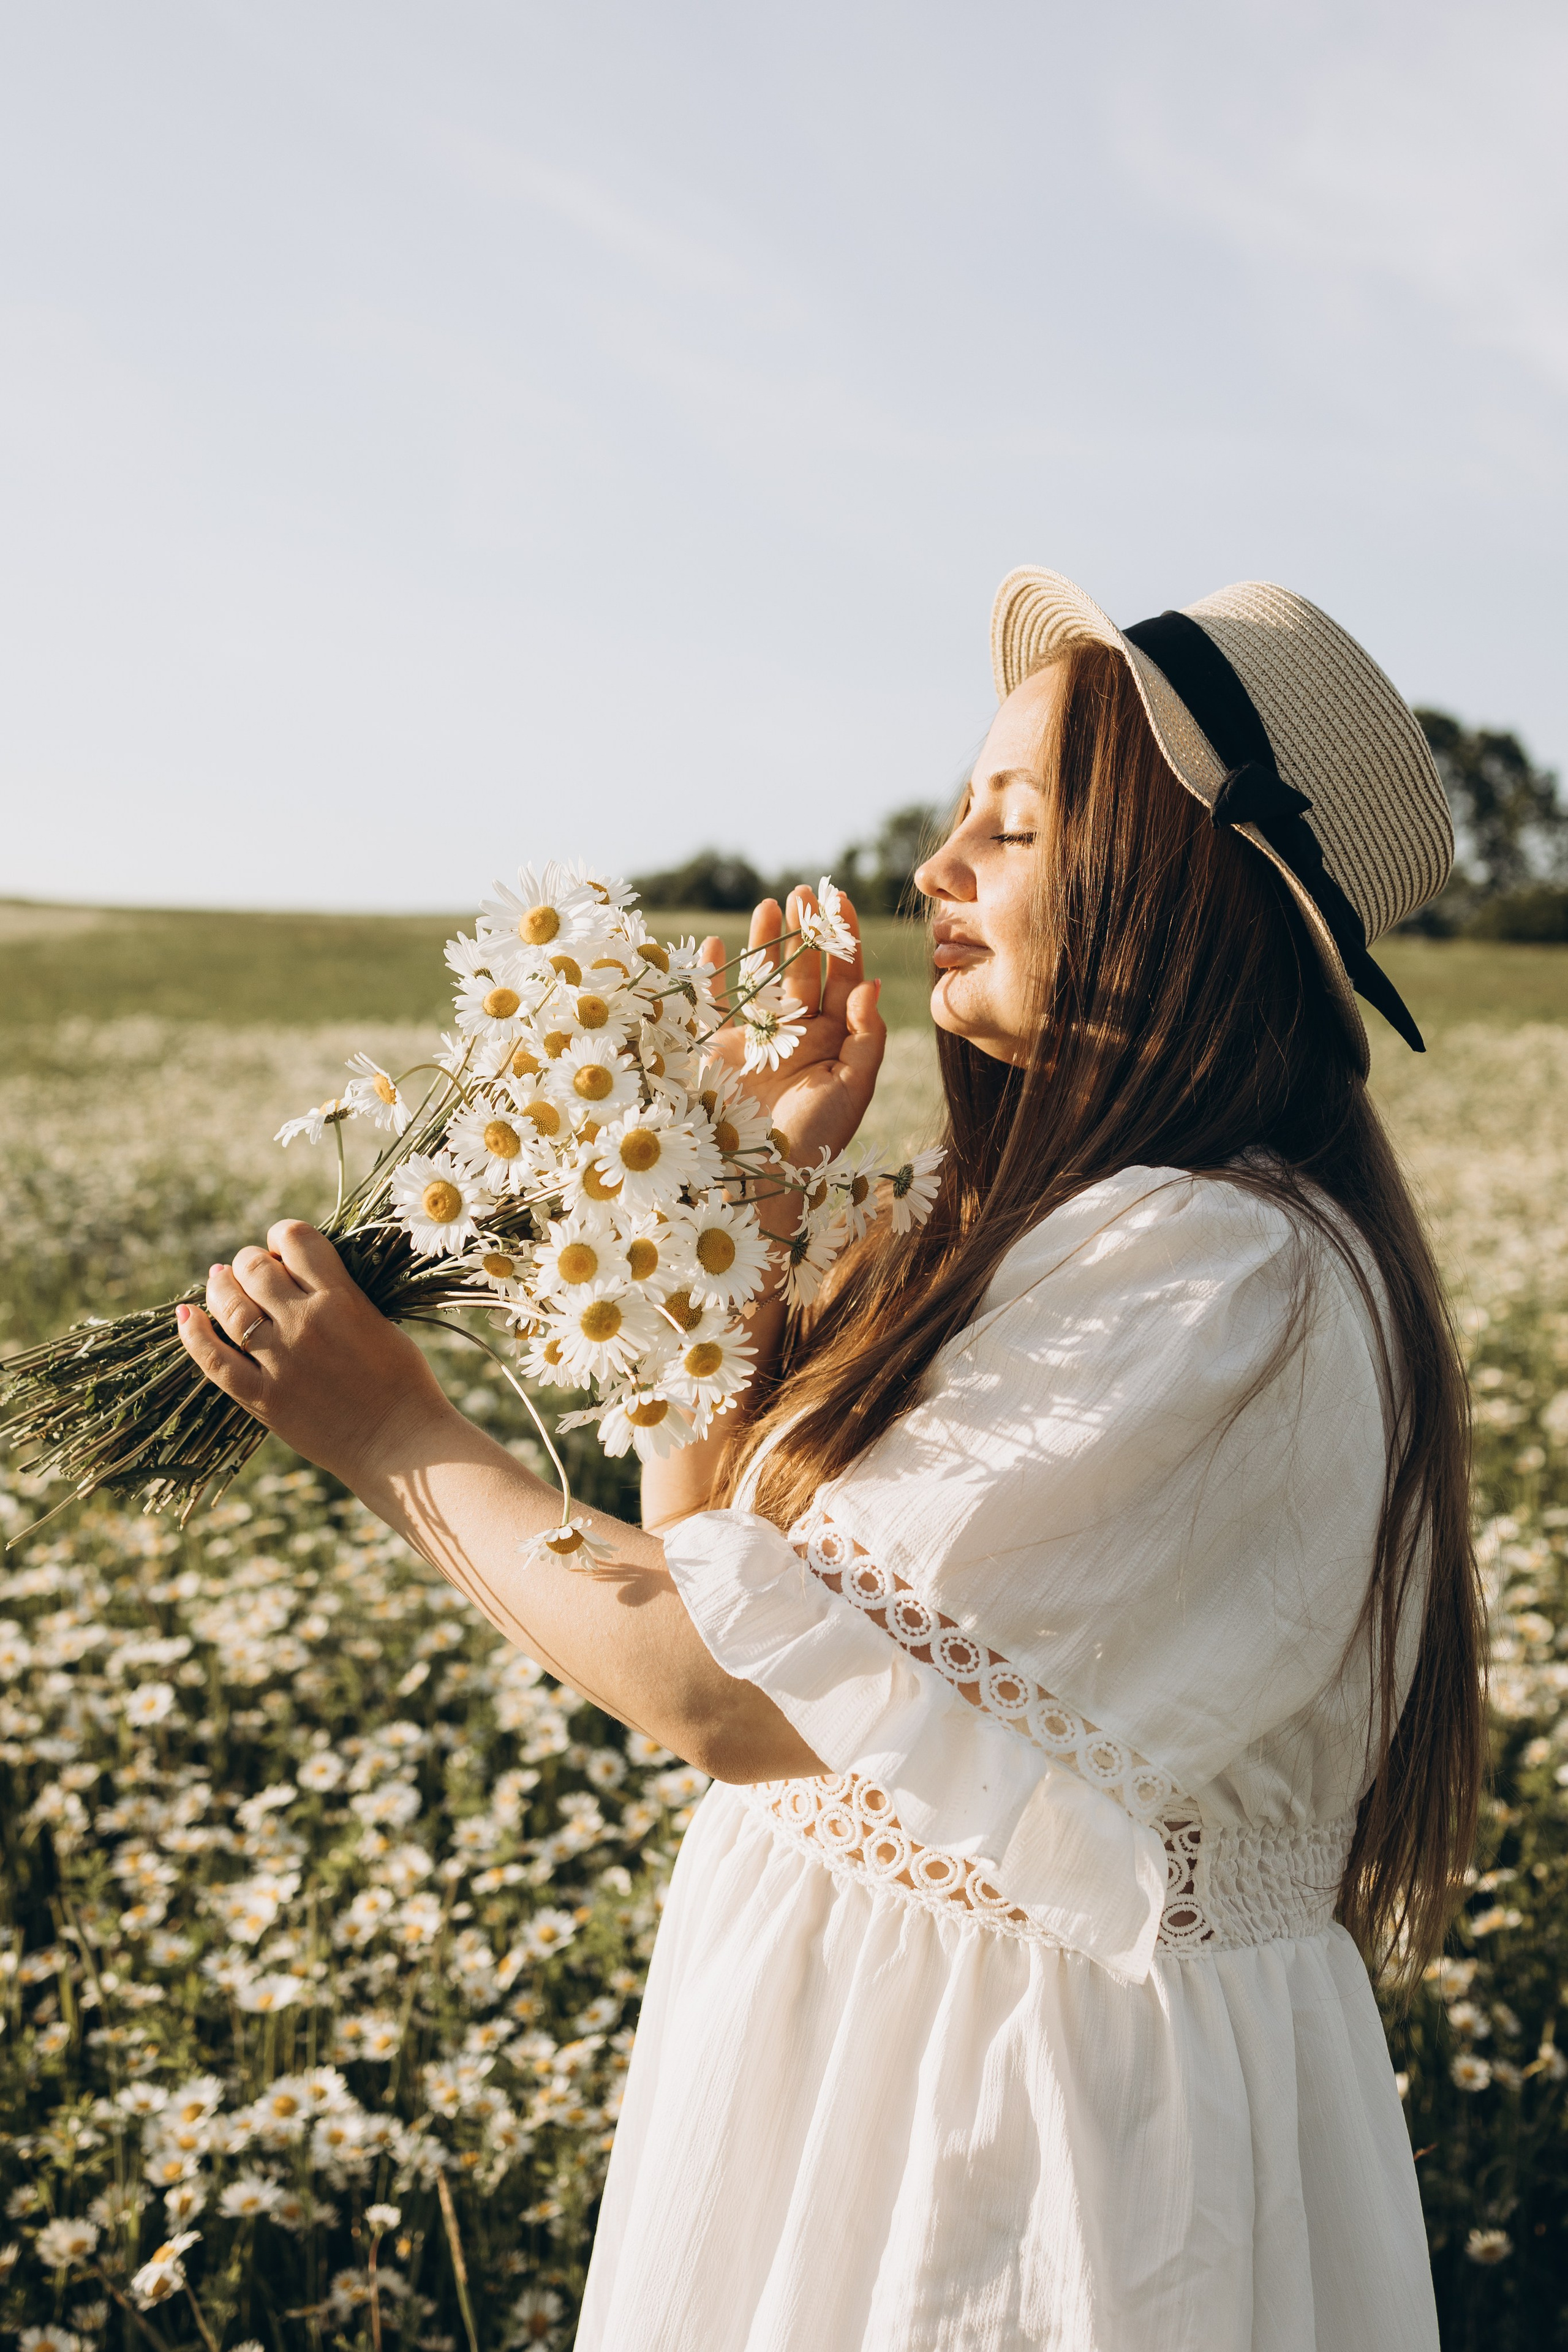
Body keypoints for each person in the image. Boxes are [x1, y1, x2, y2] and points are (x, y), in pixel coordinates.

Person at [178, 568, 1483, 2351]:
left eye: (1011, 830)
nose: (934, 871)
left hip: (1018, 2168)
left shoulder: (1217, 1275)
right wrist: (742, 1208)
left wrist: (392, 1434)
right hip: (871, 2097)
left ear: (1178, 899)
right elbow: (718, 1566)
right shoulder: (1067, 1233)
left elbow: (711, 1690)